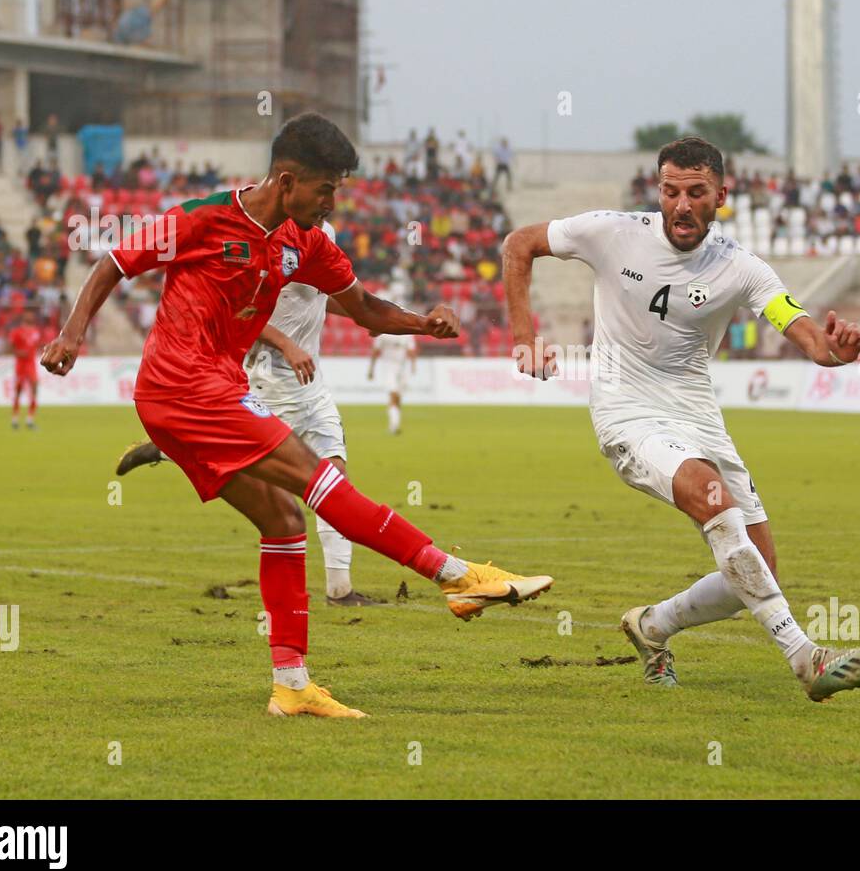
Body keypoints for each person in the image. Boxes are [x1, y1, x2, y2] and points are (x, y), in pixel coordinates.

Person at [41, 113, 553, 719]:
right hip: (182, 385)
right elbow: (114, 264)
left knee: (284, 521)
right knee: (319, 479)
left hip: (211, 390)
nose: (332, 202)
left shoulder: (304, 241)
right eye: (326, 188)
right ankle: (455, 576)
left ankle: (291, 686)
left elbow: (361, 307)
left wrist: (421, 322)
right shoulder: (202, 218)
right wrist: (72, 335)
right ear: (287, 181)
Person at [502, 136, 860, 702]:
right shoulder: (613, 232)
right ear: (659, 191)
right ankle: (806, 659)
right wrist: (525, 338)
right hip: (626, 411)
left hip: (698, 416)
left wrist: (835, 351)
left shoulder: (740, 268)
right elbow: (518, 244)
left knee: (756, 571)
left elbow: (803, 332)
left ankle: (651, 627)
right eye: (670, 191)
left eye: (695, 193)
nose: (680, 204)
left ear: (720, 196)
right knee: (713, 499)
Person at [116, 219, 386, 609]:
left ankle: (340, 589)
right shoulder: (269, 251)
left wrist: (369, 318)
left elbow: (324, 297)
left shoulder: (317, 237)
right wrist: (289, 345)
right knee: (248, 466)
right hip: (265, 384)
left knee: (335, 479)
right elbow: (245, 311)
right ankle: (169, 449)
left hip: (311, 390)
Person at [368, 330, 417, 435]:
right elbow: (376, 351)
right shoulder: (382, 331)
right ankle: (394, 426)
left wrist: (413, 366)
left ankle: (395, 424)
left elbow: (411, 350)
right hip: (389, 368)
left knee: (398, 397)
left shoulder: (406, 331)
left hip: (403, 369)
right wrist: (371, 369)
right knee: (393, 395)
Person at [8, 309, 42, 429]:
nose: (30, 316)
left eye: (32, 314)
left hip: (31, 365)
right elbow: (11, 348)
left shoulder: (36, 332)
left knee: (34, 389)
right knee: (18, 391)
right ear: (24, 317)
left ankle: (30, 419)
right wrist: (18, 352)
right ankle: (15, 419)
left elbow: (36, 346)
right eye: (28, 314)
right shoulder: (17, 332)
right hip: (21, 365)